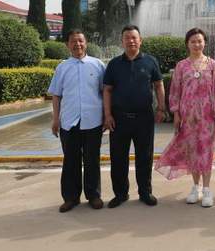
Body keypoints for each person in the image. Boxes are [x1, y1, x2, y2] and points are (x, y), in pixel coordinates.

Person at [155, 28, 215, 208]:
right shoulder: (181, 66)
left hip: (208, 117)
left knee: (207, 152)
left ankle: (207, 189)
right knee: (193, 151)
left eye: (200, 41)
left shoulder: (212, 65)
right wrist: (176, 113)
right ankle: (196, 187)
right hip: (188, 117)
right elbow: (175, 91)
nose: (196, 44)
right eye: (193, 41)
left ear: (205, 43)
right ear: (187, 43)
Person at [103, 25, 166, 209]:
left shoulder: (150, 61)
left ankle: (145, 192)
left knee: (144, 157)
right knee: (118, 158)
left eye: (134, 37)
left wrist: (161, 108)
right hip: (119, 118)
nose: (131, 41)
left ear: (140, 40)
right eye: (127, 38)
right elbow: (107, 90)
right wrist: (107, 115)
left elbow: (159, 85)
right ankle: (120, 194)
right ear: (122, 41)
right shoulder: (114, 64)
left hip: (144, 118)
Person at [48, 29, 105, 213]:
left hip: (93, 120)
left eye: (80, 41)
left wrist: (106, 115)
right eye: (73, 41)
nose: (77, 44)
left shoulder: (98, 65)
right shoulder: (62, 67)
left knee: (92, 160)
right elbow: (56, 95)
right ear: (68, 44)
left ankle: (93, 195)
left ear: (86, 43)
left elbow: (105, 92)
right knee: (70, 161)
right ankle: (71, 198)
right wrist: (55, 119)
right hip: (69, 122)